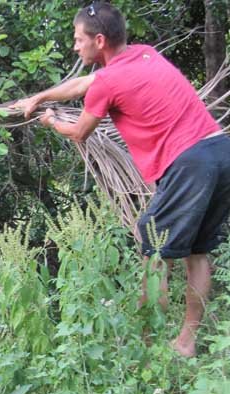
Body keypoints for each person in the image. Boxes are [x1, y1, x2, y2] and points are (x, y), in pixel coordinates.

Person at [12, 1, 230, 357]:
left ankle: (148, 346)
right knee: (198, 251)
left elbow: (80, 132)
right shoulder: (144, 54)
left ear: (98, 40)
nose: (75, 46)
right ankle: (186, 342)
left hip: (190, 162)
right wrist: (41, 96)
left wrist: (50, 120)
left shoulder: (108, 82)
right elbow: (84, 84)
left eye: (78, 39)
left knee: (154, 245)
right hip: (220, 150)